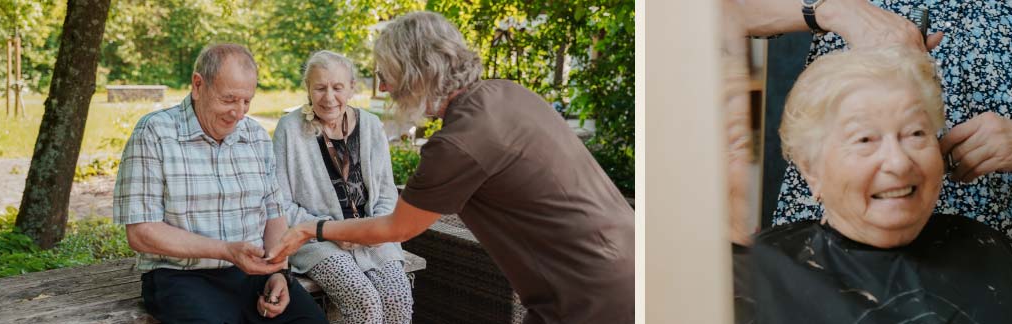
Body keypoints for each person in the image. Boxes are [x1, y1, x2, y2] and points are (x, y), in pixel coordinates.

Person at [732, 0, 1012, 318]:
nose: (899, 161)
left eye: (916, 135)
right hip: (824, 260)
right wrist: (832, 8)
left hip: (994, 273)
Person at [263, 11, 635, 324]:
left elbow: (394, 226)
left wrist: (314, 228)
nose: (387, 87)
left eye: (390, 74)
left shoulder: (458, 143)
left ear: (418, 71)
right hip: (622, 266)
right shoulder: (508, 93)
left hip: (591, 295)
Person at [734, 47, 1012, 323]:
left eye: (916, 134)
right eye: (865, 139)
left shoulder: (984, 249)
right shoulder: (754, 276)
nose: (899, 163)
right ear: (811, 170)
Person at [114, 43, 328, 324]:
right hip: (182, 278)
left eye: (246, 101)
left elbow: (274, 214)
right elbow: (142, 233)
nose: (238, 113)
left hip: (254, 273)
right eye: (228, 100)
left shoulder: (255, 136)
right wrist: (226, 251)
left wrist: (278, 273)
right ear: (198, 85)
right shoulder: (155, 132)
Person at [272, 51, 412, 324]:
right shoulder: (289, 129)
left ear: (351, 88)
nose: (329, 97)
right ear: (308, 90)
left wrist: (374, 229)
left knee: (398, 297)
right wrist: (331, 231)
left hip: (373, 236)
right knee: (364, 301)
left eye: (337, 87)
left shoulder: (371, 125)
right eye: (320, 88)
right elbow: (279, 204)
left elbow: (386, 193)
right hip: (316, 240)